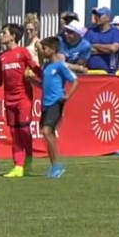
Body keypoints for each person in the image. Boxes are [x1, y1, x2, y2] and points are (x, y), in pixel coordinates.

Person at [0, 23, 43, 178]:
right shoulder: (2, 58)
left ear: (13, 36)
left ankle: (27, 161)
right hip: (9, 100)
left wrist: (46, 79)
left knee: (24, 131)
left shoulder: (23, 53)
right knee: (14, 133)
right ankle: (18, 166)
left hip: (23, 98)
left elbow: (35, 68)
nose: (1, 35)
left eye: (4, 32)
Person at [33, 37, 79, 178]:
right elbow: (44, 85)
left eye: (45, 48)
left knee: (47, 132)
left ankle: (57, 166)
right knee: (47, 133)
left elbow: (75, 80)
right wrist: (32, 81)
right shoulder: (47, 67)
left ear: (53, 50)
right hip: (46, 103)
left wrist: (67, 96)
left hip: (56, 102)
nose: (43, 51)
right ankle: (54, 166)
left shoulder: (60, 66)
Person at [84, 7, 119, 73]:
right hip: (91, 72)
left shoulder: (116, 32)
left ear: (108, 18)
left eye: (100, 15)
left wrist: (94, 45)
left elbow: (113, 48)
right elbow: (86, 49)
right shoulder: (90, 31)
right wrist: (106, 50)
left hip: (110, 73)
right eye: (96, 15)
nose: (97, 17)